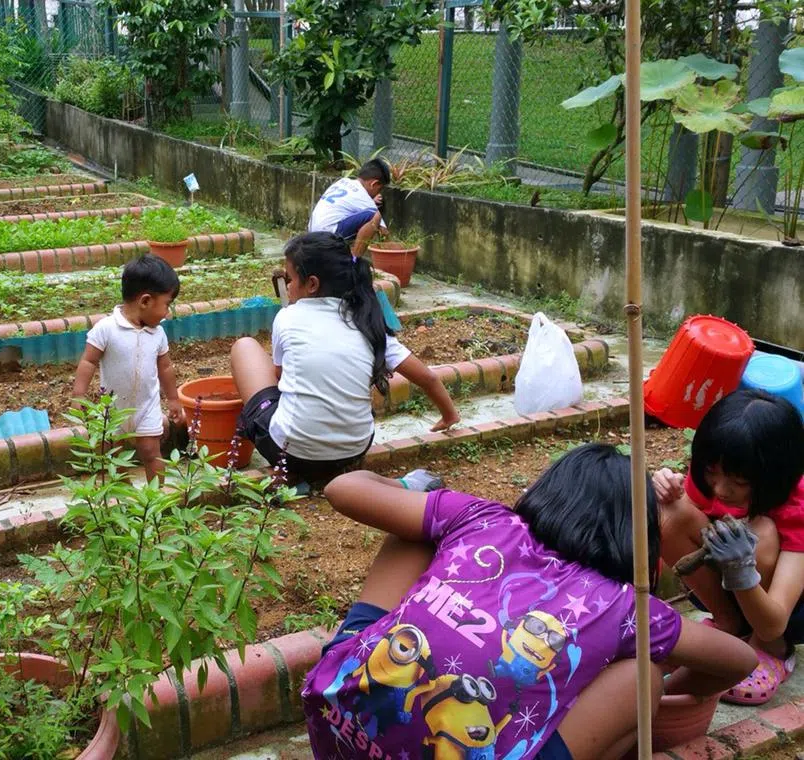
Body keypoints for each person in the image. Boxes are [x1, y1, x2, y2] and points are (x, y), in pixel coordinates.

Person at [303, 444, 757, 760]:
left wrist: (406, 486)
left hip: (334, 718)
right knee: (644, 678)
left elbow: (343, 488)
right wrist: (676, 691)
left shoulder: (480, 519)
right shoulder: (624, 605)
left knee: (414, 530)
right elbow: (738, 660)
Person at [231, 232, 459, 489]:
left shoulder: (288, 317)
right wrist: (449, 416)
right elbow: (427, 377)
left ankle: (291, 473)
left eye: (290, 279)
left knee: (245, 347)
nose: (288, 287)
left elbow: (280, 378)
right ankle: (321, 472)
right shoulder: (367, 322)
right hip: (353, 450)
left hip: (287, 452)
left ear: (312, 284)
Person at [656, 388, 804, 705]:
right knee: (669, 511)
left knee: (761, 531)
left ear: (774, 475)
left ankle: (771, 650)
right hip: (730, 589)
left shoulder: (798, 507)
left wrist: (741, 569)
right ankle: (728, 623)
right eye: (712, 472)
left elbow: (777, 617)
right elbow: (684, 521)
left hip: (785, 612)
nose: (721, 489)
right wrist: (664, 487)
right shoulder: (715, 474)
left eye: (738, 482)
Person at [72, 254, 186, 480]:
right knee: (112, 454)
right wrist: (79, 395)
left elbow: (165, 367)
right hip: (113, 410)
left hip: (147, 407)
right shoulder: (106, 329)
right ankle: (120, 495)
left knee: (152, 453)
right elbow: (88, 361)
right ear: (145, 301)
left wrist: (173, 399)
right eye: (166, 304)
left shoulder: (158, 333)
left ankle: (156, 498)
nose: (168, 313)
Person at [309, 158, 389, 255]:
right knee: (374, 216)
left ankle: (343, 253)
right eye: (379, 189)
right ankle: (354, 261)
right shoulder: (363, 196)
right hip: (328, 237)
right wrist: (390, 251)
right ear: (374, 184)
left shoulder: (343, 181)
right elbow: (383, 232)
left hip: (312, 234)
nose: (378, 193)